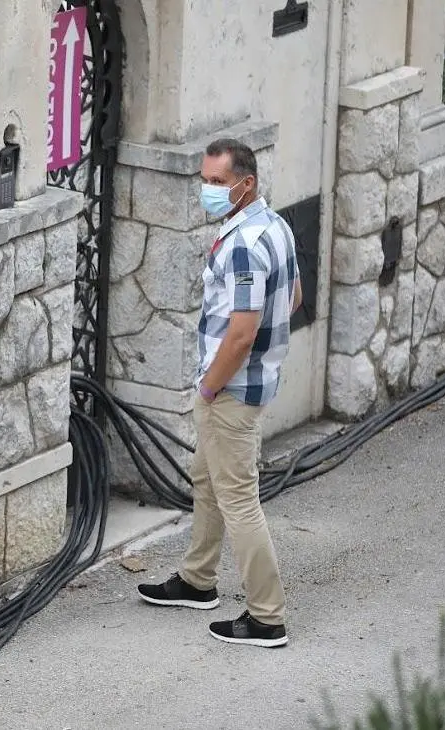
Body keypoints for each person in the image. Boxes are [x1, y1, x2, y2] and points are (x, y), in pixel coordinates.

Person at [138, 139, 302, 649]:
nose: (206, 191)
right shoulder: (273, 226)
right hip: (243, 385)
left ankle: (267, 616)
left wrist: (211, 386)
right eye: (204, 180)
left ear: (244, 184)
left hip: (229, 391)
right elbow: (294, 296)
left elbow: (241, 332)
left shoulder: (242, 244)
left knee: (239, 501)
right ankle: (196, 580)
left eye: (215, 182)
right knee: (206, 479)